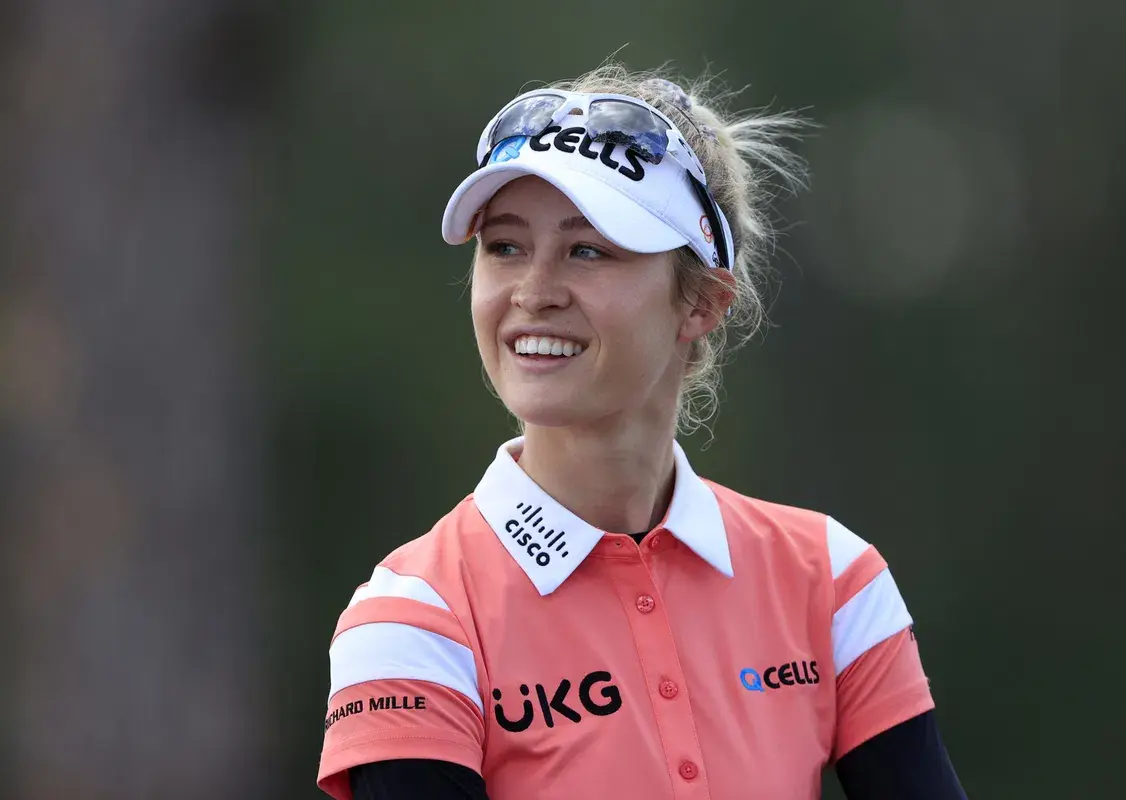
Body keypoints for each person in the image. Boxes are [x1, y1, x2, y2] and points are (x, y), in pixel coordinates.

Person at [316, 62, 967, 800]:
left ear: (702, 303)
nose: (533, 292)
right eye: (504, 247)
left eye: (588, 250)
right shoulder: (413, 619)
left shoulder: (833, 579)